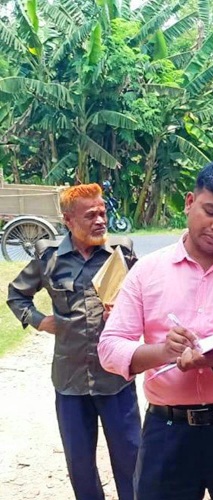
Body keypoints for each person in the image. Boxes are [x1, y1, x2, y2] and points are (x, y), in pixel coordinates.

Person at [98, 160, 213, 500]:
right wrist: (162, 352)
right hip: (168, 432)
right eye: (210, 211)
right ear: (189, 202)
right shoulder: (147, 272)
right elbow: (110, 348)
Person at [7, 183, 140, 500]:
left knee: (131, 459)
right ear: (68, 220)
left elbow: (147, 297)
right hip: (70, 382)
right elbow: (17, 295)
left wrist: (126, 313)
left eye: (102, 213)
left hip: (116, 379)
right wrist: (40, 321)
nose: (99, 220)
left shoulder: (121, 252)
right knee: (79, 465)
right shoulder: (48, 256)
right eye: (90, 215)